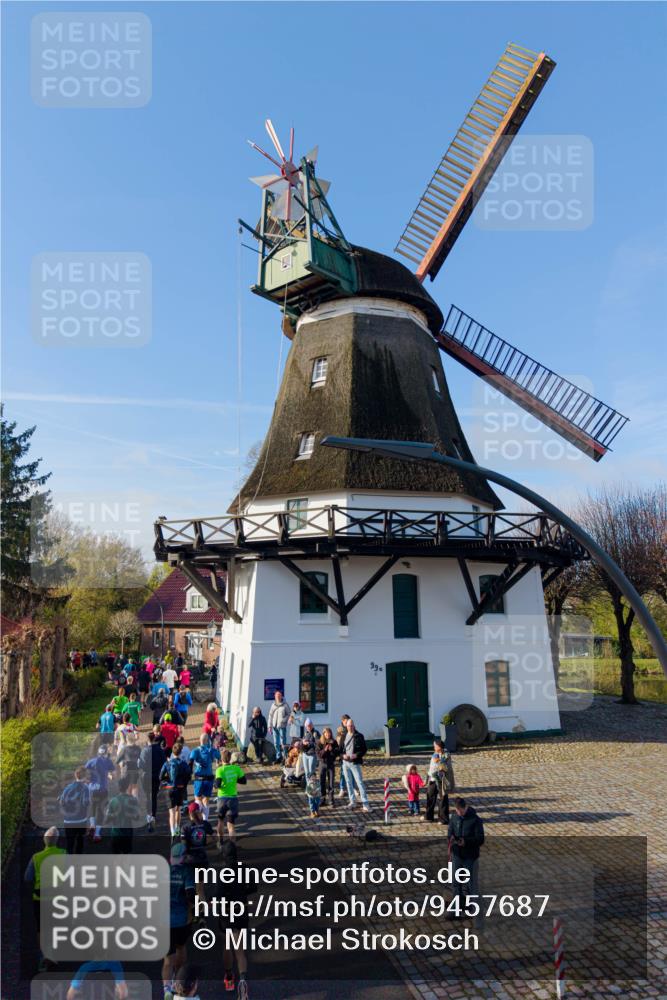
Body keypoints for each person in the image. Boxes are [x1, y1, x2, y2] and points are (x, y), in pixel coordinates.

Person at [24, 826, 66, 970]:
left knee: (41, 928)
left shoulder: (36, 857)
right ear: (57, 841)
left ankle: (43, 956)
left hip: (40, 898)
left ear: (44, 841)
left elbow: (27, 878)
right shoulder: (64, 854)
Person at [217, 841, 252, 998]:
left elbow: (219, 896)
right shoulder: (245, 869)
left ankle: (229, 977)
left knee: (227, 944)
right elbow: (253, 887)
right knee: (240, 949)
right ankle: (243, 981)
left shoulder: (224, 873)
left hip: (227, 912)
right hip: (241, 910)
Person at [163, 843, 195, 1000]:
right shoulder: (187, 872)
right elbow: (190, 895)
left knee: (167, 959)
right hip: (181, 920)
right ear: (183, 857)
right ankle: (179, 979)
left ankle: (166, 990)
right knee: (181, 948)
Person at [447, 797, 485, 928]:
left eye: (461, 811)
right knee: (456, 883)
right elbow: (450, 831)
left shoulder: (476, 820)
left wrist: (466, 842)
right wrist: (451, 838)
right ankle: (456, 909)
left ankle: (475, 914)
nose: (459, 814)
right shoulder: (454, 817)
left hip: (470, 857)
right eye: (457, 811)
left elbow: (480, 839)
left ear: (465, 807)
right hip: (457, 855)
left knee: (471, 886)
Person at [213, 749, 246, 848]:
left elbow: (217, 785)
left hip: (222, 798)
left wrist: (215, 784)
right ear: (230, 758)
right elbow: (244, 781)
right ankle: (233, 846)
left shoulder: (220, 770)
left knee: (220, 821)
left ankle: (220, 842)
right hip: (233, 799)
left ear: (221, 759)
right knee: (231, 825)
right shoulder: (236, 768)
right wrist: (234, 779)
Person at [85, 744, 115, 841]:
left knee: (92, 808)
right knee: (101, 811)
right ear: (106, 753)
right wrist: (109, 775)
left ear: (98, 752)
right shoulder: (108, 761)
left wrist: (88, 781)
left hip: (93, 789)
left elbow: (85, 771)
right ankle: (97, 834)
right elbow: (112, 774)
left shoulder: (91, 761)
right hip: (103, 789)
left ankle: (92, 825)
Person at [104, 775, 142, 853]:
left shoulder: (113, 801)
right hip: (127, 833)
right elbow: (137, 817)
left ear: (118, 788)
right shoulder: (132, 800)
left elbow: (107, 820)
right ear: (128, 787)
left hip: (116, 833)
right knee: (126, 854)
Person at [160, 742, 191, 838]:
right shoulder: (183, 763)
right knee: (178, 810)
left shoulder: (167, 763)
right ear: (181, 752)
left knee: (171, 812)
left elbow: (160, 776)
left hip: (169, 789)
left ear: (172, 753)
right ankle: (177, 828)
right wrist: (184, 784)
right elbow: (188, 775)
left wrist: (167, 781)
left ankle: (173, 832)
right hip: (180, 788)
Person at [139, 731, 167, 832]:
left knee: (147, 796)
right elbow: (164, 763)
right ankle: (153, 816)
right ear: (154, 739)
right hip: (156, 776)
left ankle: (148, 816)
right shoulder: (159, 750)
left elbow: (140, 765)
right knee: (154, 796)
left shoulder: (144, 751)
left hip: (146, 776)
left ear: (147, 740)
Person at [189, 733, 221, 821]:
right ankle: (205, 820)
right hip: (209, 779)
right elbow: (219, 756)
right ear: (207, 741)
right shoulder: (211, 750)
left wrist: (190, 773)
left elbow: (190, 762)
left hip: (198, 779)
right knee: (206, 800)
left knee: (198, 800)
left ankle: (196, 819)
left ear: (200, 741)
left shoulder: (195, 751)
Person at [59, 767, 90, 854]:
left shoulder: (67, 787)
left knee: (69, 843)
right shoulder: (85, 788)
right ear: (85, 776)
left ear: (76, 775)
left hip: (68, 820)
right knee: (80, 842)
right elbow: (86, 803)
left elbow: (61, 802)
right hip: (81, 820)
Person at [424, 738, 455, 825]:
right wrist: (427, 779)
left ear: (439, 746)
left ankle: (443, 819)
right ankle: (428, 815)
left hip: (442, 780)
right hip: (432, 778)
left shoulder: (446, 755)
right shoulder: (434, 754)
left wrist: (439, 763)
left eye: (435, 746)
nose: (434, 747)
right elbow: (431, 767)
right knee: (430, 796)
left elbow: (445, 767)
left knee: (442, 799)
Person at [341, 718, 370, 812]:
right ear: (346, 726)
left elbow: (364, 749)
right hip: (345, 763)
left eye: (352, 726)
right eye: (349, 726)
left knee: (360, 783)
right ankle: (352, 801)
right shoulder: (344, 735)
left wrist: (356, 755)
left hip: (354, 763)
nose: (350, 727)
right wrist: (342, 755)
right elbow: (340, 750)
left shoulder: (359, 736)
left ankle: (365, 804)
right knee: (348, 783)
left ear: (354, 726)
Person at [317, 727, 339, 807]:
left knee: (331, 783)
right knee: (322, 782)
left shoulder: (334, 742)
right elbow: (319, 755)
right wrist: (325, 750)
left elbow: (336, 753)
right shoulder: (320, 742)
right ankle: (322, 799)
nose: (328, 734)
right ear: (323, 734)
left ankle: (331, 800)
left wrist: (332, 750)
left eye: (329, 733)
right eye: (326, 733)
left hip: (330, 764)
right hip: (322, 764)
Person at [116, 731, 141, 797]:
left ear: (127, 739)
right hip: (135, 769)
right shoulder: (138, 748)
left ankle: (128, 801)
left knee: (127, 787)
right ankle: (135, 801)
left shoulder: (124, 749)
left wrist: (122, 763)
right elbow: (141, 759)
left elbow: (117, 760)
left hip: (126, 770)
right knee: (134, 786)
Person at [267, 690, 289, 763]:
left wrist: (283, 720)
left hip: (282, 726)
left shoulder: (285, 705)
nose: (278, 697)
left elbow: (289, 714)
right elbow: (270, 715)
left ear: (281, 696)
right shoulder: (273, 705)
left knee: (283, 742)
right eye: (277, 696)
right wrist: (269, 726)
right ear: (275, 697)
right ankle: (278, 757)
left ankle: (285, 757)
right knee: (276, 742)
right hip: (274, 726)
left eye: (279, 696)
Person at [336, 715, 351, 798]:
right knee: (342, 773)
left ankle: (353, 788)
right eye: (345, 720)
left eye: (347, 720)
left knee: (351, 773)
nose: (346, 721)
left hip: (350, 754)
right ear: (342, 721)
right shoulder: (339, 730)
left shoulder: (351, 728)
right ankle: (342, 789)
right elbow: (338, 742)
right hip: (343, 754)